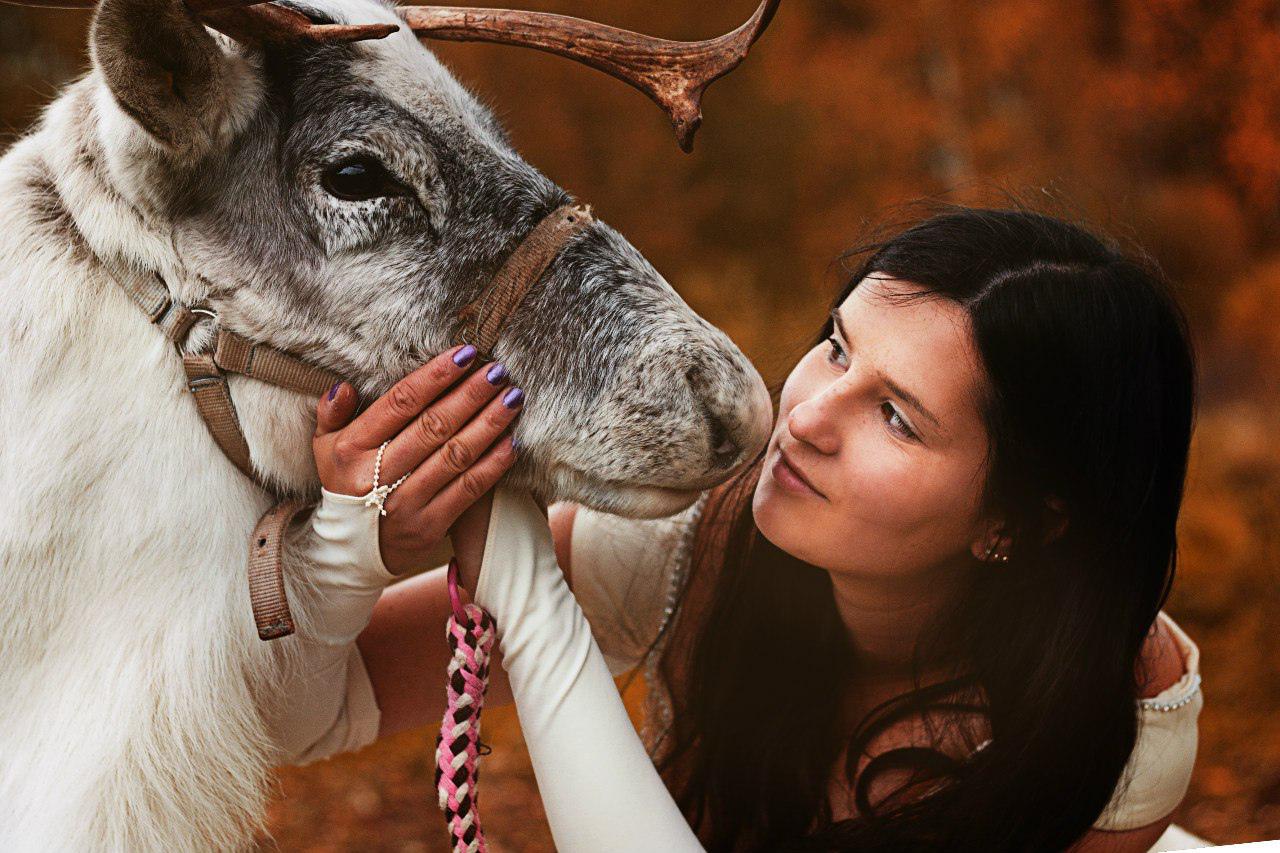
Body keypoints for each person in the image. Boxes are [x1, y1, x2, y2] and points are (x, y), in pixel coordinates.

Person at [280, 203, 1205, 852]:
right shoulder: (694, 541)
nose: (803, 415)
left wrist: (526, 591)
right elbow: (310, 710)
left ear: (1019, 518)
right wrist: (353, 543)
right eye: (837, 347)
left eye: (896, 416)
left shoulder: (1111, 728)